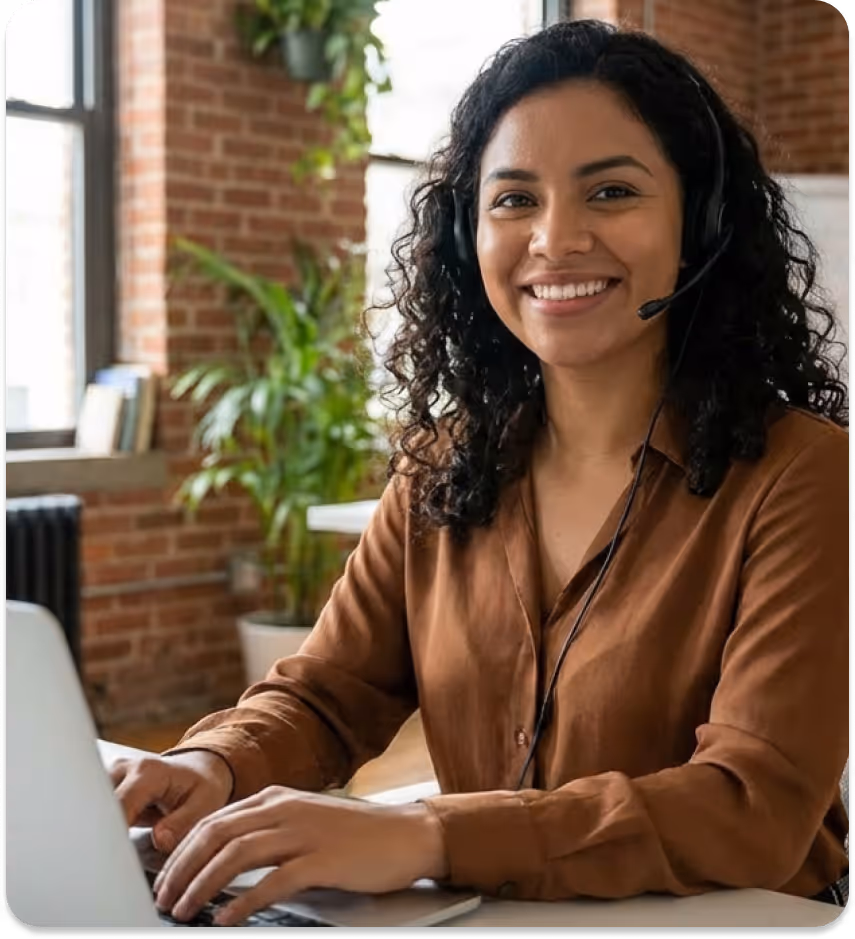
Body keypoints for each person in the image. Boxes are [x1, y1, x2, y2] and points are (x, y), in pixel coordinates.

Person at [110, 20, 849, 926]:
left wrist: (429, 834)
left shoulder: (802, 473)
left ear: (698, 225)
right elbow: (329, 690)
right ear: (470, 240)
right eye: (512, 200)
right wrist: (208, 765)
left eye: (610, 191)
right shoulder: (445, 466)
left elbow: (753, 806)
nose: (554, 239)